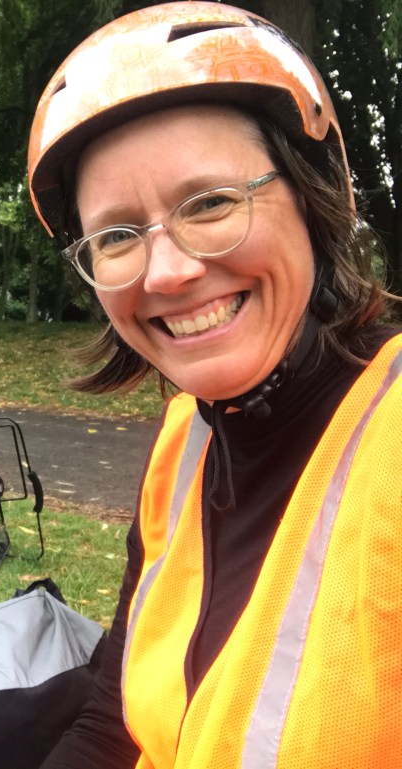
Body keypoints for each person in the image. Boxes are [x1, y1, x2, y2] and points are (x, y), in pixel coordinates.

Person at [26, 4, 401, 768]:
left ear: (316, 199)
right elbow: (115, 717)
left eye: (211, 204)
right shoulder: (183, 443)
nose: (167, 272)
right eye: (117, 236)